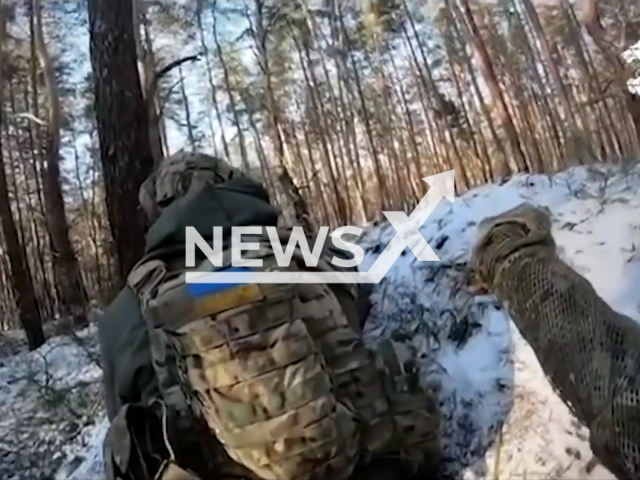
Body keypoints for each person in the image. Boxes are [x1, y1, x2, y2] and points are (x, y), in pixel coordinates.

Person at [98, 152, 442, 480]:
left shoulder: (127, 308)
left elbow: (125, 413)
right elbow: (355, 308)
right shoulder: (302, 249)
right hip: (367, 466)